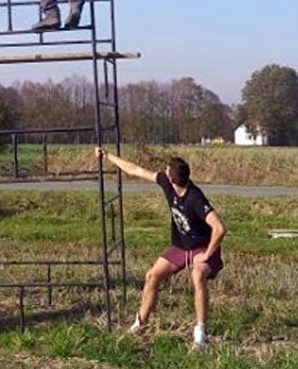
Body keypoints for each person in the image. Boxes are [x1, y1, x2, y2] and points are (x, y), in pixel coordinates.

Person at [96, 146, 227, 350]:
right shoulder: (166, 183)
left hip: (202, 247)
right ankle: (140, 323)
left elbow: (219, 228)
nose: (164, 172)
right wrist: (108, 156)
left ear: (172, 178)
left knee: (197, 276)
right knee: (152, 275)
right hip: (181, 247)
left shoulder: (195, 198)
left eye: (167, 171)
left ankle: (200, 334)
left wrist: (207, 255)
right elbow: (136, 170)